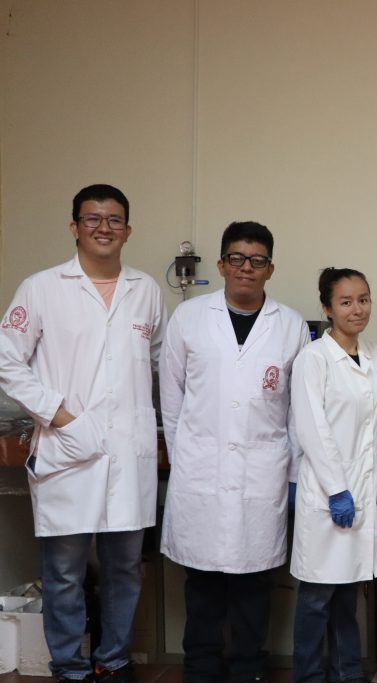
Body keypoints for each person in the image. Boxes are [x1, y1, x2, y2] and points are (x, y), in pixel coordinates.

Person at [0, 184, 165, 683]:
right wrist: (61, 416)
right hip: (67, 449)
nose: (103, 228)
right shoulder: (41, 288)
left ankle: (114, 661)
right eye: (93, 218)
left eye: (114, 220)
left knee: (125, 568)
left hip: (128, 453)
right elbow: (7, 361)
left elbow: (161, 362)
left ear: (128, 231)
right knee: (65, 573)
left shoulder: (146, 290)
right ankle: (70, 667)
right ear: (74, 227)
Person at [159, 221, 310, 683]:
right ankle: (200, 669)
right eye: (238, 259)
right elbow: (171, 399)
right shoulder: (189, 318)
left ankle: (249, 670)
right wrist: (184, 458)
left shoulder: (291, 326)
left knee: (254, 583)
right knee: (202, 583)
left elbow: (297, 411)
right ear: (222, 264)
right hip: (201, 469)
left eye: (257, 260)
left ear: (270, 269)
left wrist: (292, 476)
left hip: (262, 472)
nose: (247, 267)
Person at [289, 268, 377, 683]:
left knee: (348, 593)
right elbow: (312, 430)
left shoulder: (373, 353)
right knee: (317, 597)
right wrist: (337, 490)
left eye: (364, 299)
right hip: (327, 494)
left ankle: (347, 674)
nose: (358, 309)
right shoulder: (313, 359)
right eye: (346, 302)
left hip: (364, 489)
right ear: (327, 308)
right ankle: (309, 676)